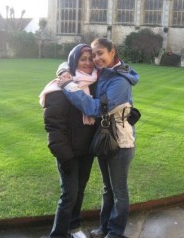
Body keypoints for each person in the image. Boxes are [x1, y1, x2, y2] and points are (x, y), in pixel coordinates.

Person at [61, 38, 139, 238]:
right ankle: (104, 228)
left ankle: (115, 232)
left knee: (119, 190)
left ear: (113, 52)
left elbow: (95, 108)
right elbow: (72, 63)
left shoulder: (120, 81)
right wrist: (63, 71)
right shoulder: (102, 73)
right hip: (104, 137)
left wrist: (69, 87)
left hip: (120, 140)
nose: (95, 59)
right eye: (94, 54)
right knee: (108, 189)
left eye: (100, 53)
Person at [39, 44, 98, 238]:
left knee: (79, 191)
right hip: (69, 153)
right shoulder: (59, 88)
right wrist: (65, 156)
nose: (88, 63)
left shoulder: (92, 84)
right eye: (83, 59)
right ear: (74, 62)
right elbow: (54, 128)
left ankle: (74, 227)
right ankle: (58, 234)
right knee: (68, 195)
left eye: (90, 59)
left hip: (87, 151)